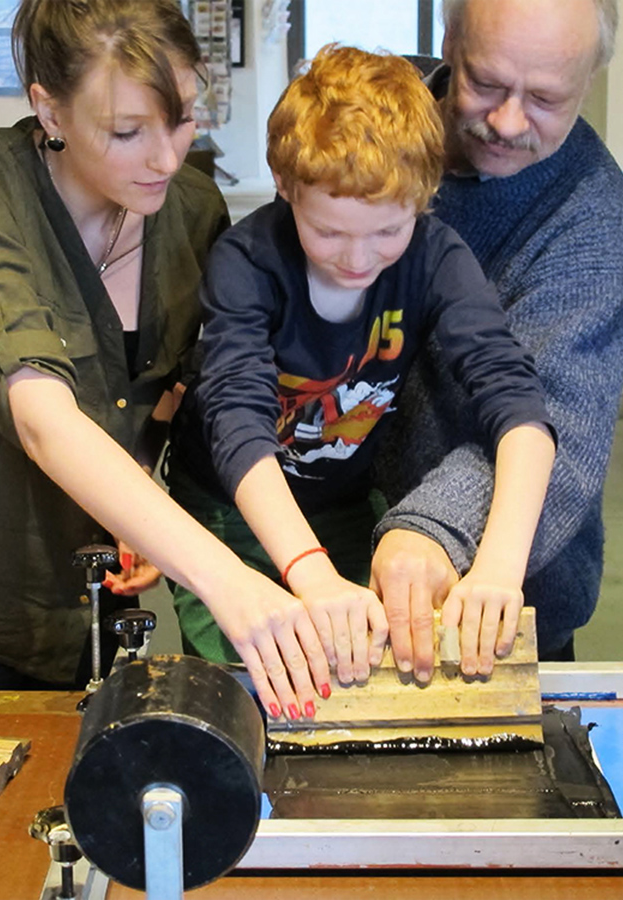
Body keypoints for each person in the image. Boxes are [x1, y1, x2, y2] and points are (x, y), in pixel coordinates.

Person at [0, 0, 330, 720]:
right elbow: (43, 417)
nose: (166, 157)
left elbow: (163, 388)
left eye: (184, 117)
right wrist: (227, 582)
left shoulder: (192, 209)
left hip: (85, 619)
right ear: (49, 110)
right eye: (128, 132)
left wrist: (135, 498)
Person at [166, 45, 556, 690]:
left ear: (423, 199)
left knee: (366, 667)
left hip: (342, 499)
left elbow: (517, 405)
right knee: (254, 677)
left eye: (386, 233)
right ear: (286, 185)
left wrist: (496, 568)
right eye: (329, 232)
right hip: (229, 507)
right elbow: (237, 419)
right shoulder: (248, 260)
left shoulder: (435, 255)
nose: (357, 258)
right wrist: (308, 571)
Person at [370, 0, 623, 681]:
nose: (508, 122)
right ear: (450, 38)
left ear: (593, 76)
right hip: (337, 563)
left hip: (500, 596)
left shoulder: (591, 213)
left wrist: (436, 527)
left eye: (546, 99)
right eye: (486, 83)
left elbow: (555, 417)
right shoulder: (368, 128)